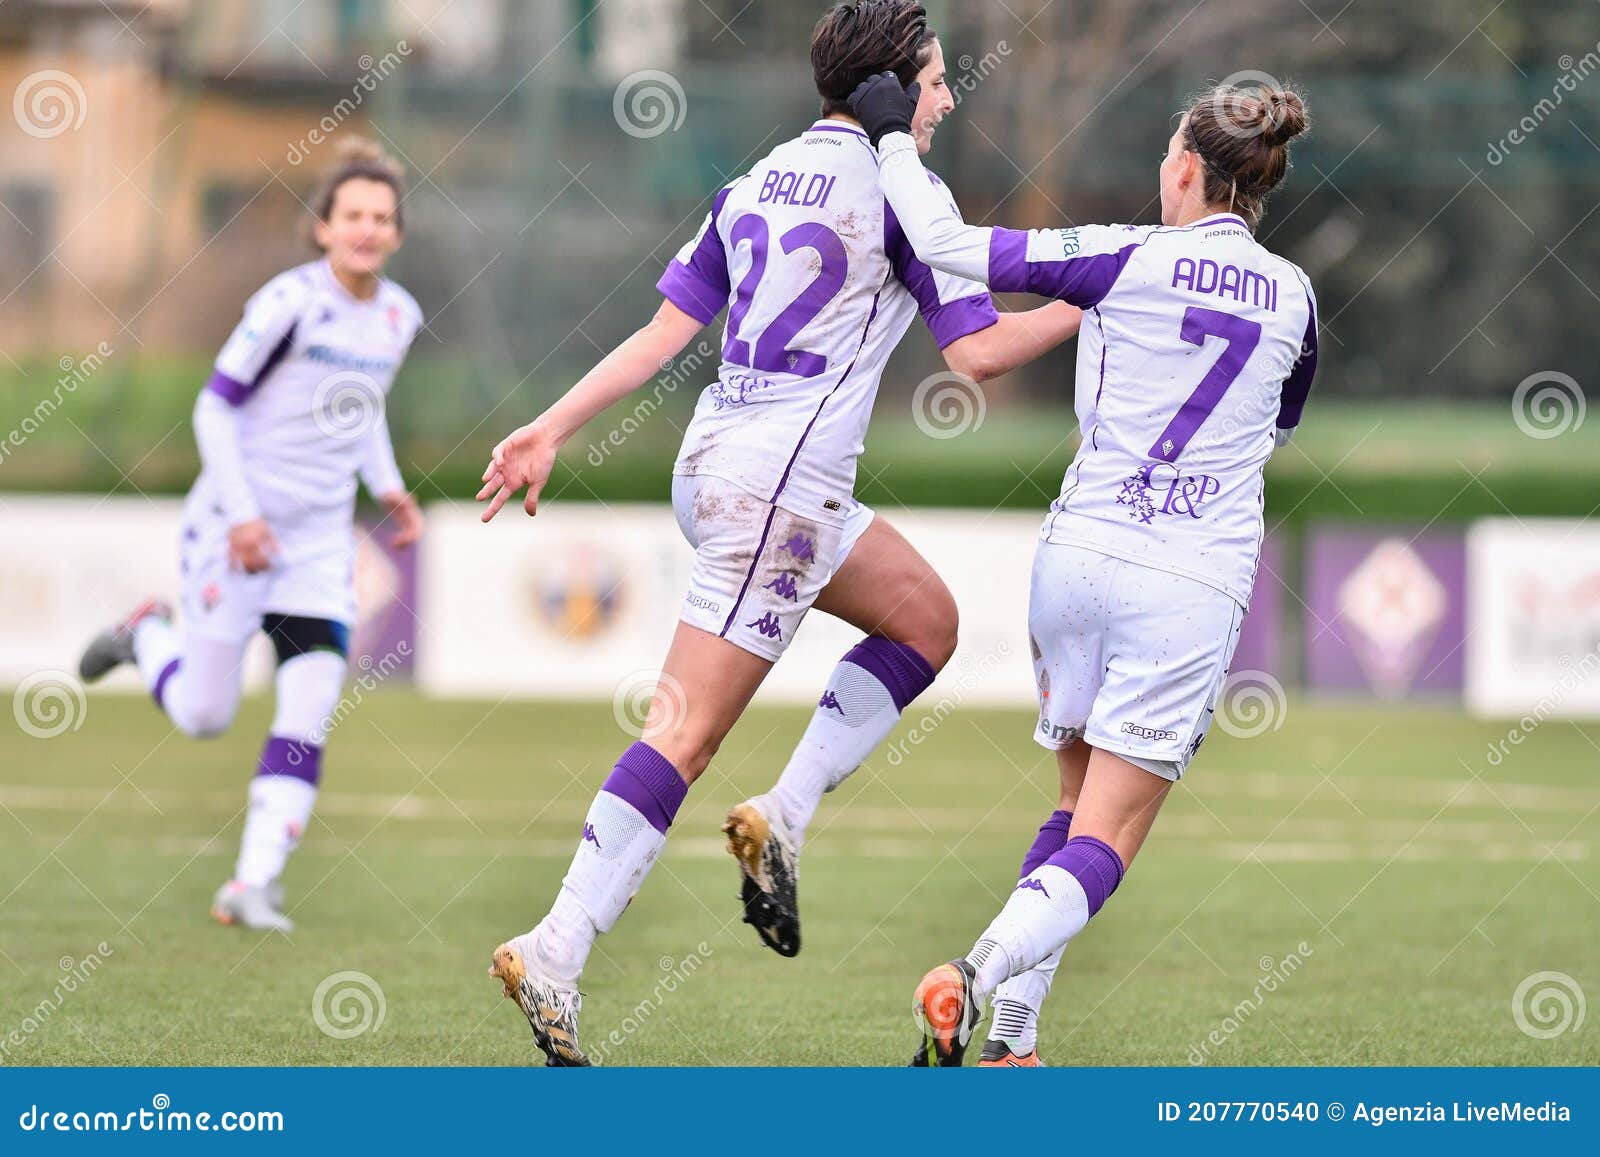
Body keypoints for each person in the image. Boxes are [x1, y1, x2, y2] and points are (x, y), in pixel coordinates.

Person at [478, 0, 1081, 1066]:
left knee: (923, 621)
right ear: (895, 87)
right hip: (781, 491)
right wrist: (1101, 297)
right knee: (688, 729)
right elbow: (976, 357)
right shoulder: (904, 192)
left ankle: (786, 812)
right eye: (936, 80)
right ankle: (557, 945)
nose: (946, 99)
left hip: (715, 465)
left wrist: (549, 425)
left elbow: (664, 332)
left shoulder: (753, 179)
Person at [847, 71, 1317, 1066]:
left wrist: (891, 137)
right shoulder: (1295, 297)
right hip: (1189, 578)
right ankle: (973, 976)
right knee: (1112, 832)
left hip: (1077, 561)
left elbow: (947, 249)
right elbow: (1272, 423)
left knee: (1068, 810)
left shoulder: (1118, 253)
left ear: (1185, 168)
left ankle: (1014, 1041)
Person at [77, 139, 425, 933]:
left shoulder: (400, 315)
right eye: (353, 216)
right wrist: (241, 515)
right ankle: (146, 636)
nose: (367, 230)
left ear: (397, 233)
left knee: (309, 708)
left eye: (382, 218)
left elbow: (360, 413)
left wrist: (391, 488)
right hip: (234, 527)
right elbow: (213, 406)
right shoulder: (287, 304)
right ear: (324, 228)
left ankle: (252, 883)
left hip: (315, 547)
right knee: (205, 714)